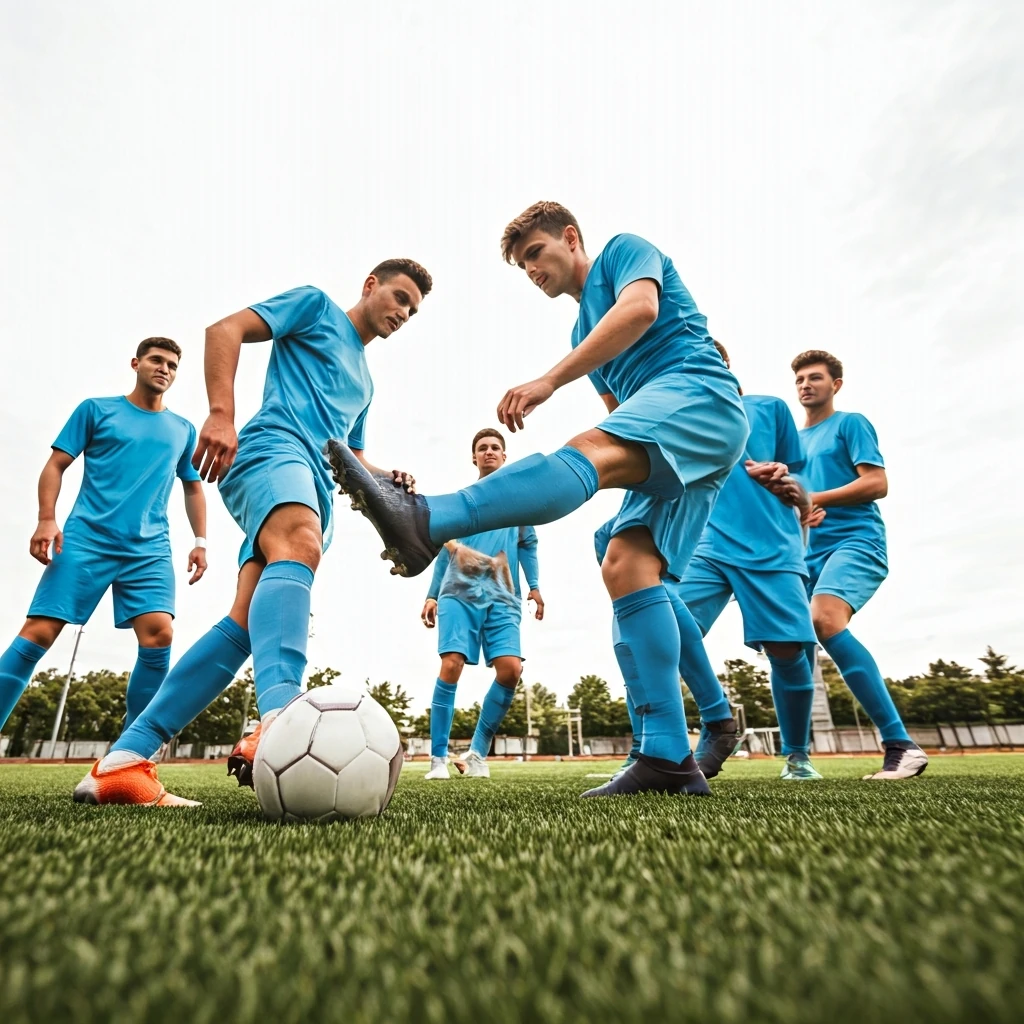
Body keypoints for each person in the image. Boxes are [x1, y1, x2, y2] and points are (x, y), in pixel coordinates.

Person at [329, 202, 748, 797]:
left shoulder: (624, 253)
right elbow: (618, 418)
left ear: (570, 239)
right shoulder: (582, 332)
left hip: (697, 393)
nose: (531, 271)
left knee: (585, 453)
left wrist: (549, 381)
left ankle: (428, 517)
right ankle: (667, 756)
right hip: (677, 435)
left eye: (535, 255)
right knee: (627, 563)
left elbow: (641, 310)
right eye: (522, 264)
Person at [74, 260, 432, 806]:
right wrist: (221, 413)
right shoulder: (315, 307)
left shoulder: (367, 381)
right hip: (271, 451)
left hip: (312, 479)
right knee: (300, 545)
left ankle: (124, 763)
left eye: (413, 308)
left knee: (245, 623)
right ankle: (283, 716)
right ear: (370, 286)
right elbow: (225, 330)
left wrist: (387, 476)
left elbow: (351, 453)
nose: (403, 313)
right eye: (400, 297)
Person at [0, 338, 207, 741]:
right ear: (136, 363)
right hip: (86, 540)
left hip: (148, 549)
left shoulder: (182, 429)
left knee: (159, 633)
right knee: (39, 631)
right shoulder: (96, 410)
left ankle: (129, 755)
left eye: (172, 365)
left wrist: (200, 540)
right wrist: (46, 519)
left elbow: (193, 486)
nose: (164, 369)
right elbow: (56, 465)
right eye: (156, 360)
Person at [753, 349, 926, 780]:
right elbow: (792, 501)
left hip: (855, 542)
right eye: (799, 380)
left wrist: (815, 499)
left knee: (825, 620)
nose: (805, 385)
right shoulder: (789, 439)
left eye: (815, 377)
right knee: (786, 646)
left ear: (836, 385)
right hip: (802, 555)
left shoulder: (850, 424)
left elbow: (876, 483)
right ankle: (797, 759)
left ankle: (901, 745)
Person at [677, 341, 824, 780]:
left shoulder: (770, 408)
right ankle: (699, 728)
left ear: (723, 362)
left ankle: (797, 755)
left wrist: (796, 490)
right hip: (704, 545)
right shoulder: (681, 419)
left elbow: (799, 478)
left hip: (771, 544)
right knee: (661, 628)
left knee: (786, 652)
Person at [421, 428, 544, 780]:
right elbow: (446, 551)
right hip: (458, 594)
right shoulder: (462, 502)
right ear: (473, 457)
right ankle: (438, 760)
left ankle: (476, 753)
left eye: (495, 447)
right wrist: (431, 594)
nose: (489, 452)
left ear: (505, 456)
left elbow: (530, 545)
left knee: (511, 670)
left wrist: (534, 586)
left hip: (504, 596)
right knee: (452, 663)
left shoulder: (521, 503)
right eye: (482, 448)